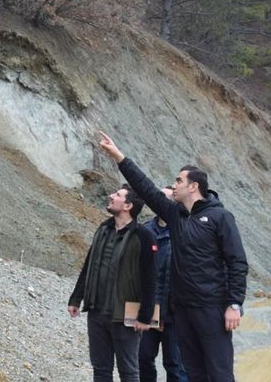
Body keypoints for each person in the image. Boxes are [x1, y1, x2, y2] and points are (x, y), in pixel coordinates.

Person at [98, 131, 248, 382]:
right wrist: (119, 157)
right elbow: (147, 190)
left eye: (179, 180)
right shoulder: (177, 216)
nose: (174, 184)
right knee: (194, 373)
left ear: (194, 186)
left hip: (212, 309)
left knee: (220, 373)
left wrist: (234, 304)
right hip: (183, 313)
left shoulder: (220, 217)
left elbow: (237, 262)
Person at [68, 184, 158, 382]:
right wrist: (76, 298)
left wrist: (145, 316)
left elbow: (151, 279)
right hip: (97, 312)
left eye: (117, 195)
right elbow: (88, 266)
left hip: (125, 316)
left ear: (128, 206)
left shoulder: (143, 236)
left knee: (128, 371)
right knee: (100, 369)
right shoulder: (103, 229)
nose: (111, 196)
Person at [139, 187, 189, 382]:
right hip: (147, 309)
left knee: (176, 365)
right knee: (141, 358)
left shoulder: (185, 233)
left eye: (164, 197)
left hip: (176, 315)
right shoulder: (143, 231)